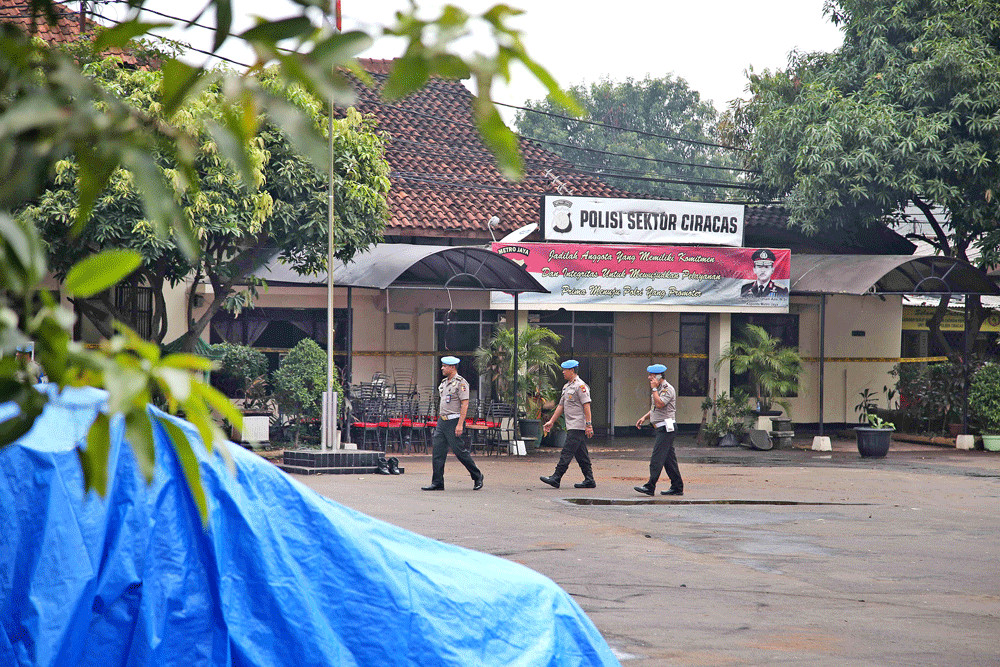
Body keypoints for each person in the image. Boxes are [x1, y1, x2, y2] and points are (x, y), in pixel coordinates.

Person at [422, 356, 484, 491]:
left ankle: (477, 476)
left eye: (444, 366)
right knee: (438, 451)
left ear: (452, 367)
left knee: (460, 451)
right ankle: (437, 481)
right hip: (442, 421)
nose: (442, 368)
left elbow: (465, 404)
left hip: (454, 421)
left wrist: (460, 424)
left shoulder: (461, 383)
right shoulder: (444, 383)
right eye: (442, 365)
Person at [540, 359, 596, 489]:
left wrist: (589, 425)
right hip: (571, 425)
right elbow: (561, 406)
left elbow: (586, 406)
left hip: (578, 425)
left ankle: (556, 477)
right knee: (581, 454)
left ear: (572, 370)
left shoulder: (580, 386)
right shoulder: (567, 386)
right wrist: (551, 421)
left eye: (565, 370)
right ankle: (589, 480)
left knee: (567, 452)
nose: (563, 372)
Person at [634, 363, 683, 496]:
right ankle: (677, 487)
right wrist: (644, 417)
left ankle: (650, 486)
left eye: (652, 375)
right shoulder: (658, 388)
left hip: (667, 429)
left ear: (659, 376)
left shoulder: (667, 389)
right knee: (668, 460)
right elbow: (654, 407)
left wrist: (654, 390)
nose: (649, 378)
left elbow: (660, 404)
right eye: (649, 375)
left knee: (657, 458)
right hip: (661, 428)